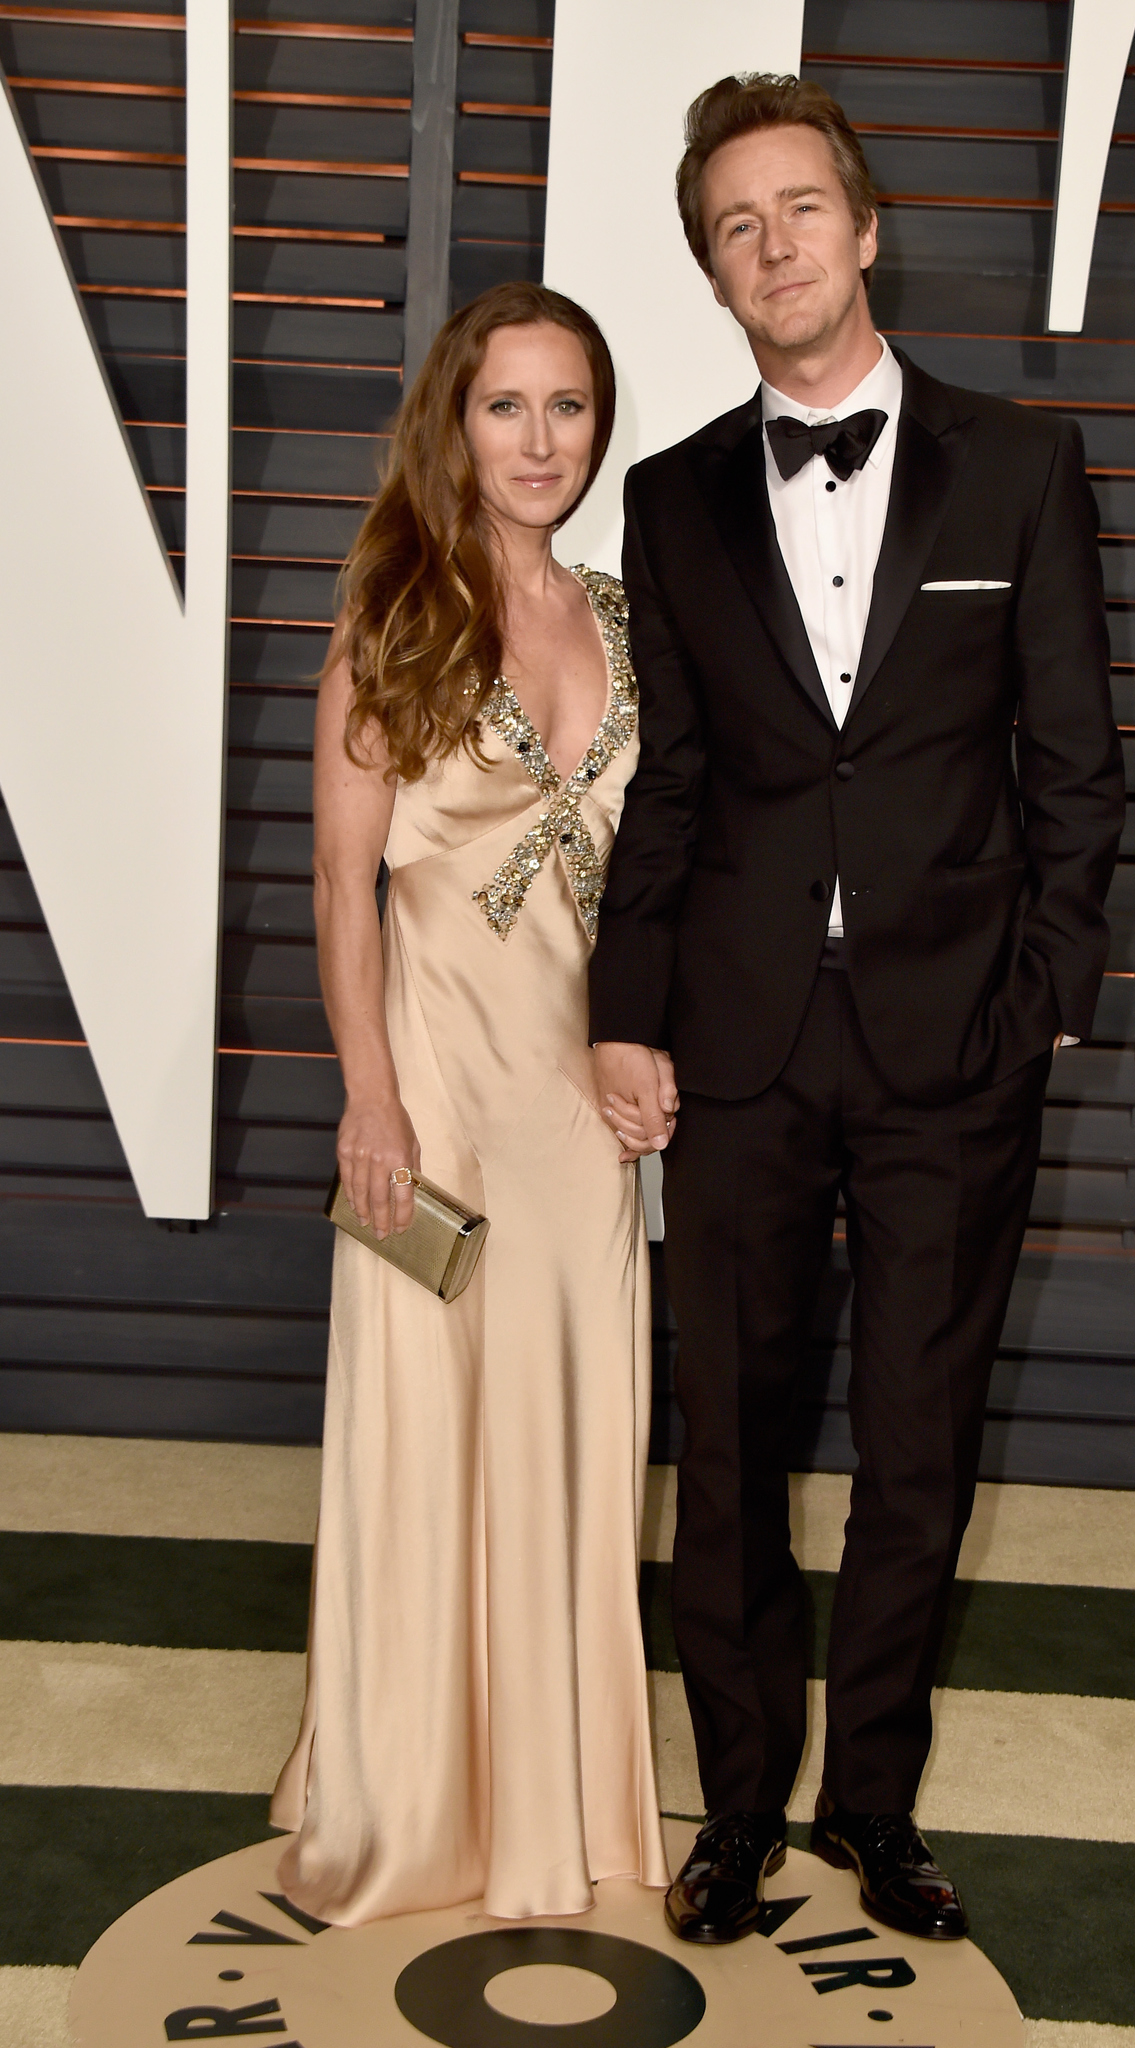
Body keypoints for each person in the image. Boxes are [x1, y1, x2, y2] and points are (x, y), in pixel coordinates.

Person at [591, 76, 1124, 1945]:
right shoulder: (667, 503)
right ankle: (738, 1804)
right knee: (724, 1441)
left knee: (919, 1436)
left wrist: (1045, 997)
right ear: (713, 274)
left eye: (801, 208)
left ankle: (872, 1807)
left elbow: (1078, 764)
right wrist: (620, 1012)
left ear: (866, 227)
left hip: (953, 1041)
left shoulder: (1020, 467)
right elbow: (670, 788)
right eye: (737, 227)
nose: (775, 245)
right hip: (736, 1040)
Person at [271, 280, 668, 1924]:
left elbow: (673, 870)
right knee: (426, 1437)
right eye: (506, 406)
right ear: (454, 420)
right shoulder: (393, 610)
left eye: (567, 407)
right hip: (432, 1086)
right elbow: (341, 880)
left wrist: (659, 1046)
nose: (538, 440)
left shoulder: (632, 616)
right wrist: (369, 1098)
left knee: (576, 1440)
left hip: (580, 1108)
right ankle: (411, 1800)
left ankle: (556, 1805)